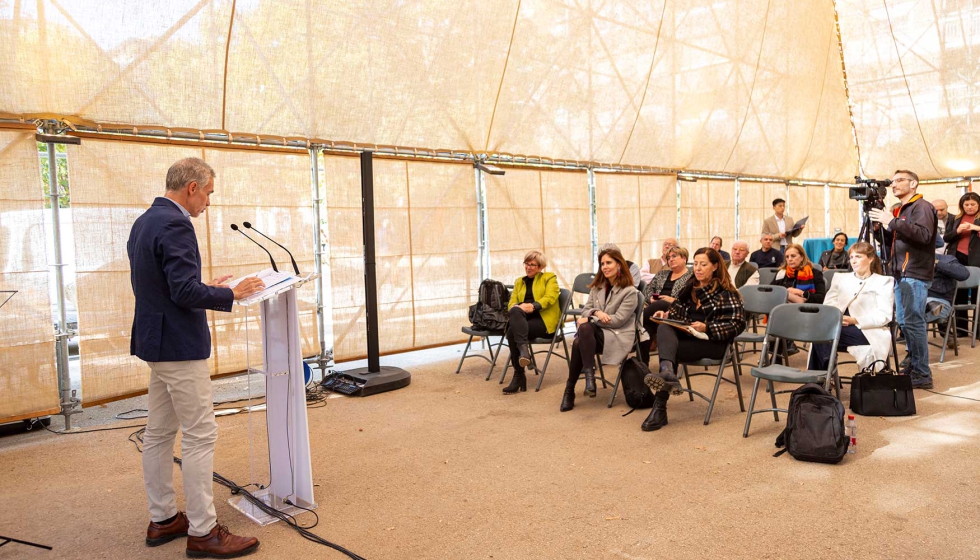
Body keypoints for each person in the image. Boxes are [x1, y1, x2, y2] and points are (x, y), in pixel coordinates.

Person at [128, 158, 263, 557]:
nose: (208, 204)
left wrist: (206, 286)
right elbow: (183, 293)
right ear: (191, 187)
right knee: (201, 435)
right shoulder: (175, 223)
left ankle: (164, 518)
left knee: (158, 434)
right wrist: (230, 294)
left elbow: (164, 284)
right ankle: (204, 533)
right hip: (178, 347)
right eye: (208, 194)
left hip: (156, 343)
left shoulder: (145, 221)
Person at [640, 248, 745, 431]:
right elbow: (678, 313)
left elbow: (737, 324)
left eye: (703, 264)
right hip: (690, 338)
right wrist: (665, 314)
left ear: (715, 266)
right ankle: (667, 375)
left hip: (712, 343)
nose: (697, 268)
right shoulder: (690, 287)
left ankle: (661, 404)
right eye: (695, 264)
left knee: (670, 352)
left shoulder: (726, 293)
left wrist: (707, 327)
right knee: (664, 326)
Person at [868, 169, 938, 389]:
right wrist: (884, 228)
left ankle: (922, 373)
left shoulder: (922, 207)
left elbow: (925, 236)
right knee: (905, 321)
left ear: (914, 184)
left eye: (900, 180)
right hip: (900, 273)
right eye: (893, 181)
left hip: (914, 273)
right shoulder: (900, 210)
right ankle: (913, 363)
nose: (894, 185)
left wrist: (893, 221)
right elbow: (899, 240)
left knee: (914, 321)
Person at [560, 248, 640, 412]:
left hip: (618, 335)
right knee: (581, 337)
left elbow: (617, 321)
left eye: (609, 262)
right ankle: (586, 379)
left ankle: (573, 388)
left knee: (583, 331)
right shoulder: (597, 288)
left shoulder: (630, 291)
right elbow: (586, 310)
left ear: (619, 264)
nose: (605, 266)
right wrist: (596, 313)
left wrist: (591, 318)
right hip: (595, 335)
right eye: (602, 263)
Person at [809, 242, 894, 371]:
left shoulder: (883, 282)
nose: (853, 261)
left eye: (858, 257)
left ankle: (822, 378)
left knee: (822, 333)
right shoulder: (840, 278)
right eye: (852, 257)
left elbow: (884, 315)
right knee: (821, 331)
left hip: (868, 330)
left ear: (870, 259)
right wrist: (838, 318)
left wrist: (855, 320)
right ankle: (824, 377)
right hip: (839, 326)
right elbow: (829, 304)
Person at [502, 251, 560, 394]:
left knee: (511, 332)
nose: (528, 267)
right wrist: (519, 307)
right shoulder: (519, 282)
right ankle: (523, 353)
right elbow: (511, 303)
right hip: (522, 321)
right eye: (526, 264)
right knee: (514, 312)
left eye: (532, 265)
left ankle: (519, 374)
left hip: (543, 321)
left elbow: (550, 297)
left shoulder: (549, 278)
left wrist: (533, 306)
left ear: (540, 267)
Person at [638, 247, 693, 362]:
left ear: (684, 258)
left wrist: (672, 300)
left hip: (679, 311)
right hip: (655, 311)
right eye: (668, 258)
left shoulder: (691, 277)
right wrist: (651, 298)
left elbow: (691, 300)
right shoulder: (662, 274)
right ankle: (643, 365)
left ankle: (636, 322)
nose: (670, 260)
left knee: (661, 303)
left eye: (674, 256)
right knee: (645, 328)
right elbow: (648, 290)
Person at [941, 192, 980, 338]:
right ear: (962, 206)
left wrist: (976, 228)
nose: (969, 207)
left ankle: (978, 331)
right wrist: (957, 231)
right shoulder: (955, 218)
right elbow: (947, 237)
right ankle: (962, 330)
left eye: (973, 204)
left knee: (977, 295)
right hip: (957, 258)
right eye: (966, 205)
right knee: (959, 294)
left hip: (977, 259)